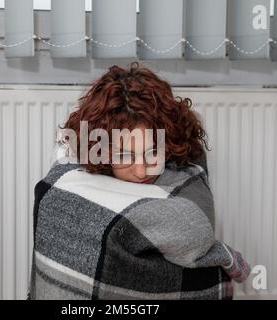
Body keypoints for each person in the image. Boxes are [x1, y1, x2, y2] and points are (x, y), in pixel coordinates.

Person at [28, 62, 250, 300]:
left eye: (153, 152)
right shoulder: (77, 168)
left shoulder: (185, 176)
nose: (142, 171)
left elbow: (196, 232)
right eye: (124, 155)